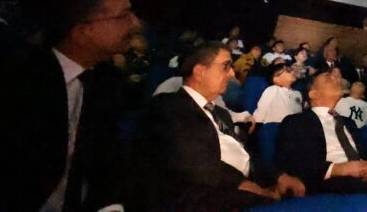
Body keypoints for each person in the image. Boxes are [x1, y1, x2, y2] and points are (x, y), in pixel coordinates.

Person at [0, 0, 141, 212]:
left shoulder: (105, 81)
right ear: (82, 32)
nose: (136, 24)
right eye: (123, 16)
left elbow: (106, 161)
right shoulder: (18, 78)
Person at [129, 42, 305, 211]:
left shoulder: (220, 113)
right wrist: (255, 190)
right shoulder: (170, 105)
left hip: (245, 186)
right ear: (200, 71)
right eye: (225, 66)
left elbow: (245, 153)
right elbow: (196, 163)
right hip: (207, 196)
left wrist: (279, 176)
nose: (231, 73)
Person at [276, 74, 367, 211]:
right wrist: (339, 169)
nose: (337, 78)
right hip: (328, 182)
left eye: (336, 78)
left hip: (364, 180)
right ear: (313, 93)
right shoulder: (296, 121)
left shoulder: (349, 122)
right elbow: (293, 162)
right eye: (328, 78)